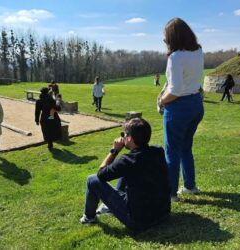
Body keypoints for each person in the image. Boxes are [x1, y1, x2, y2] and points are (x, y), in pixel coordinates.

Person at [79, 118, 170, 231]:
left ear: (130, 138)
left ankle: (89, 217)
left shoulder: (127, 160)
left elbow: (101, 174)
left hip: (139, 221)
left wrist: (114, 151)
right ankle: (110, 208)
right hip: (163, 214)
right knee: (129, 172)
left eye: (124, 134)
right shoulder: (158, 151)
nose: (122, 137)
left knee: (92, 180)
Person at [158, 18, 204, 202]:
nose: (164, 41)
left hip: (179, 107)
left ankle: (170, 194)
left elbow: (175, 90)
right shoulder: (198, 51)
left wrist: (162, 100)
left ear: (173, 37)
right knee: (186, 147)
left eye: (165, 38)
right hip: (196, 104)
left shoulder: (175, 57)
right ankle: (190, 185)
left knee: (172, 151)